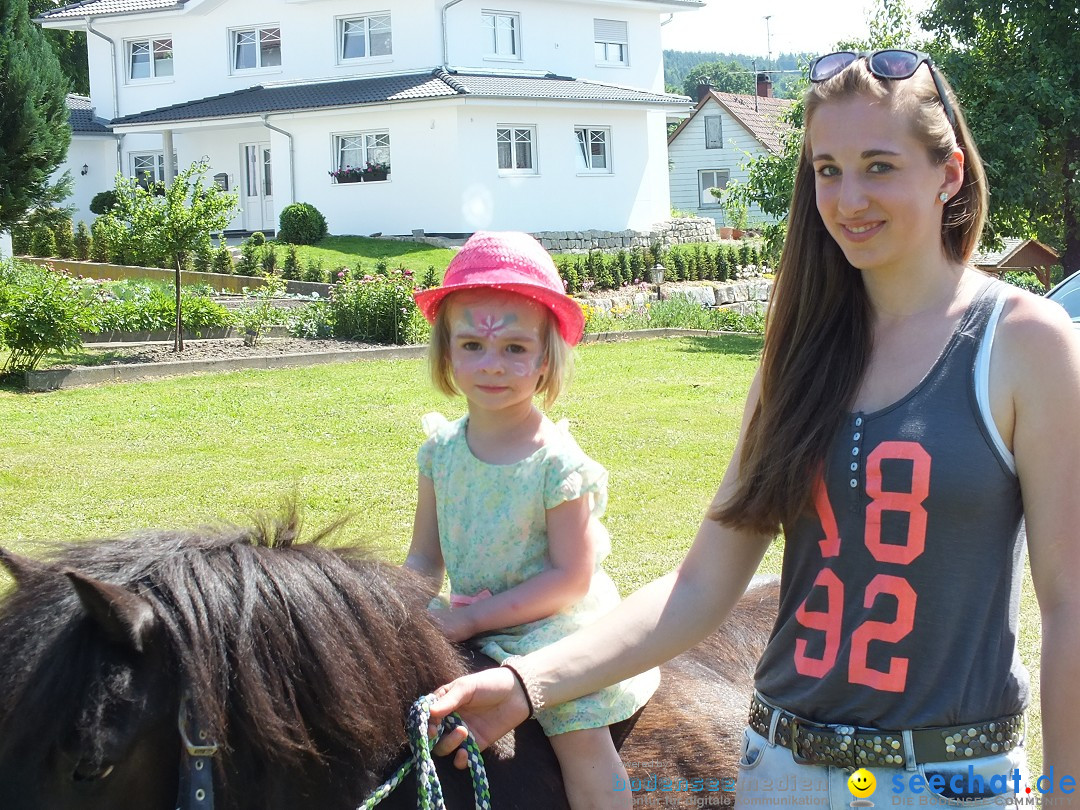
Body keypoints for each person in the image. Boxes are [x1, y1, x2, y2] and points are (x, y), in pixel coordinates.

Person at [427, 51, 1080, 808]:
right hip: (779, 773)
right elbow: (703, 583)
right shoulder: (796, 360)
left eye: (878, 166)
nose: (848, 198)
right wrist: (526, 682)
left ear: (950, 174)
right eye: (827, 170)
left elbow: (1067, 604)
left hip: (947, 783)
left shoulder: (1025, 343)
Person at [404, 231, 660, 810]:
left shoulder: (557, 464)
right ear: (446, 353)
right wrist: (398, 613)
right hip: (471, 617)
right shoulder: (440, 453)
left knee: (578, 732)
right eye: (472, 345)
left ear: (546, 359)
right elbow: (425, 558)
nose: (492, 364)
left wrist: (472, 623)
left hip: (552, 623)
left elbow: (570, 577)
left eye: (515, 349)